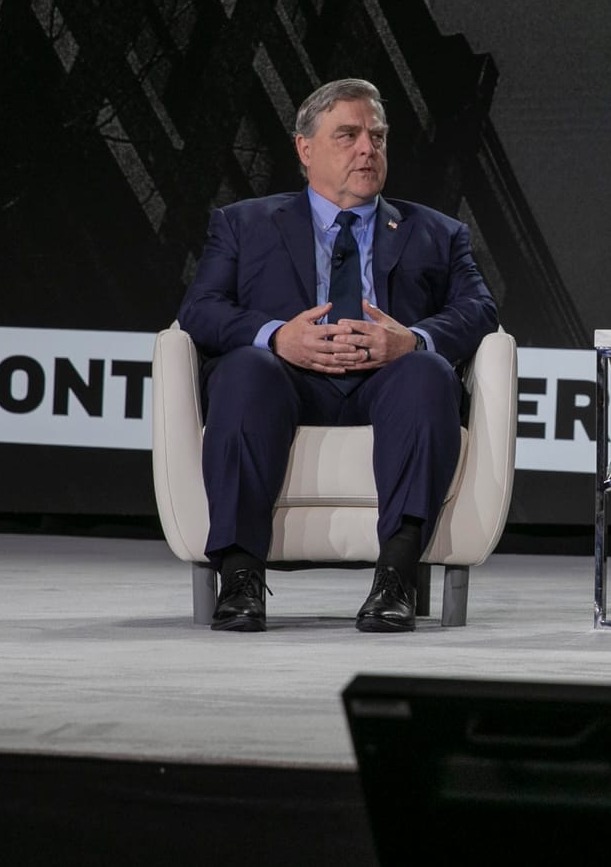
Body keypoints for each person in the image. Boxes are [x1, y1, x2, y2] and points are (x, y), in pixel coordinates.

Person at [177, 78, 498, 633]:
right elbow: (199, 308)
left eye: (378, 137)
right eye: (348, 136)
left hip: (388, 383)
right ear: (305, 149)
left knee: (426, 372)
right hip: (284, 379)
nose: (367, 149)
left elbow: (480, 308)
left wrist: (411, 339)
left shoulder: (438, 232)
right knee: (245, 369)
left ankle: (396, 578)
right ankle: (241, 577)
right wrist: (276, 336)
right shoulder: (243, 223)